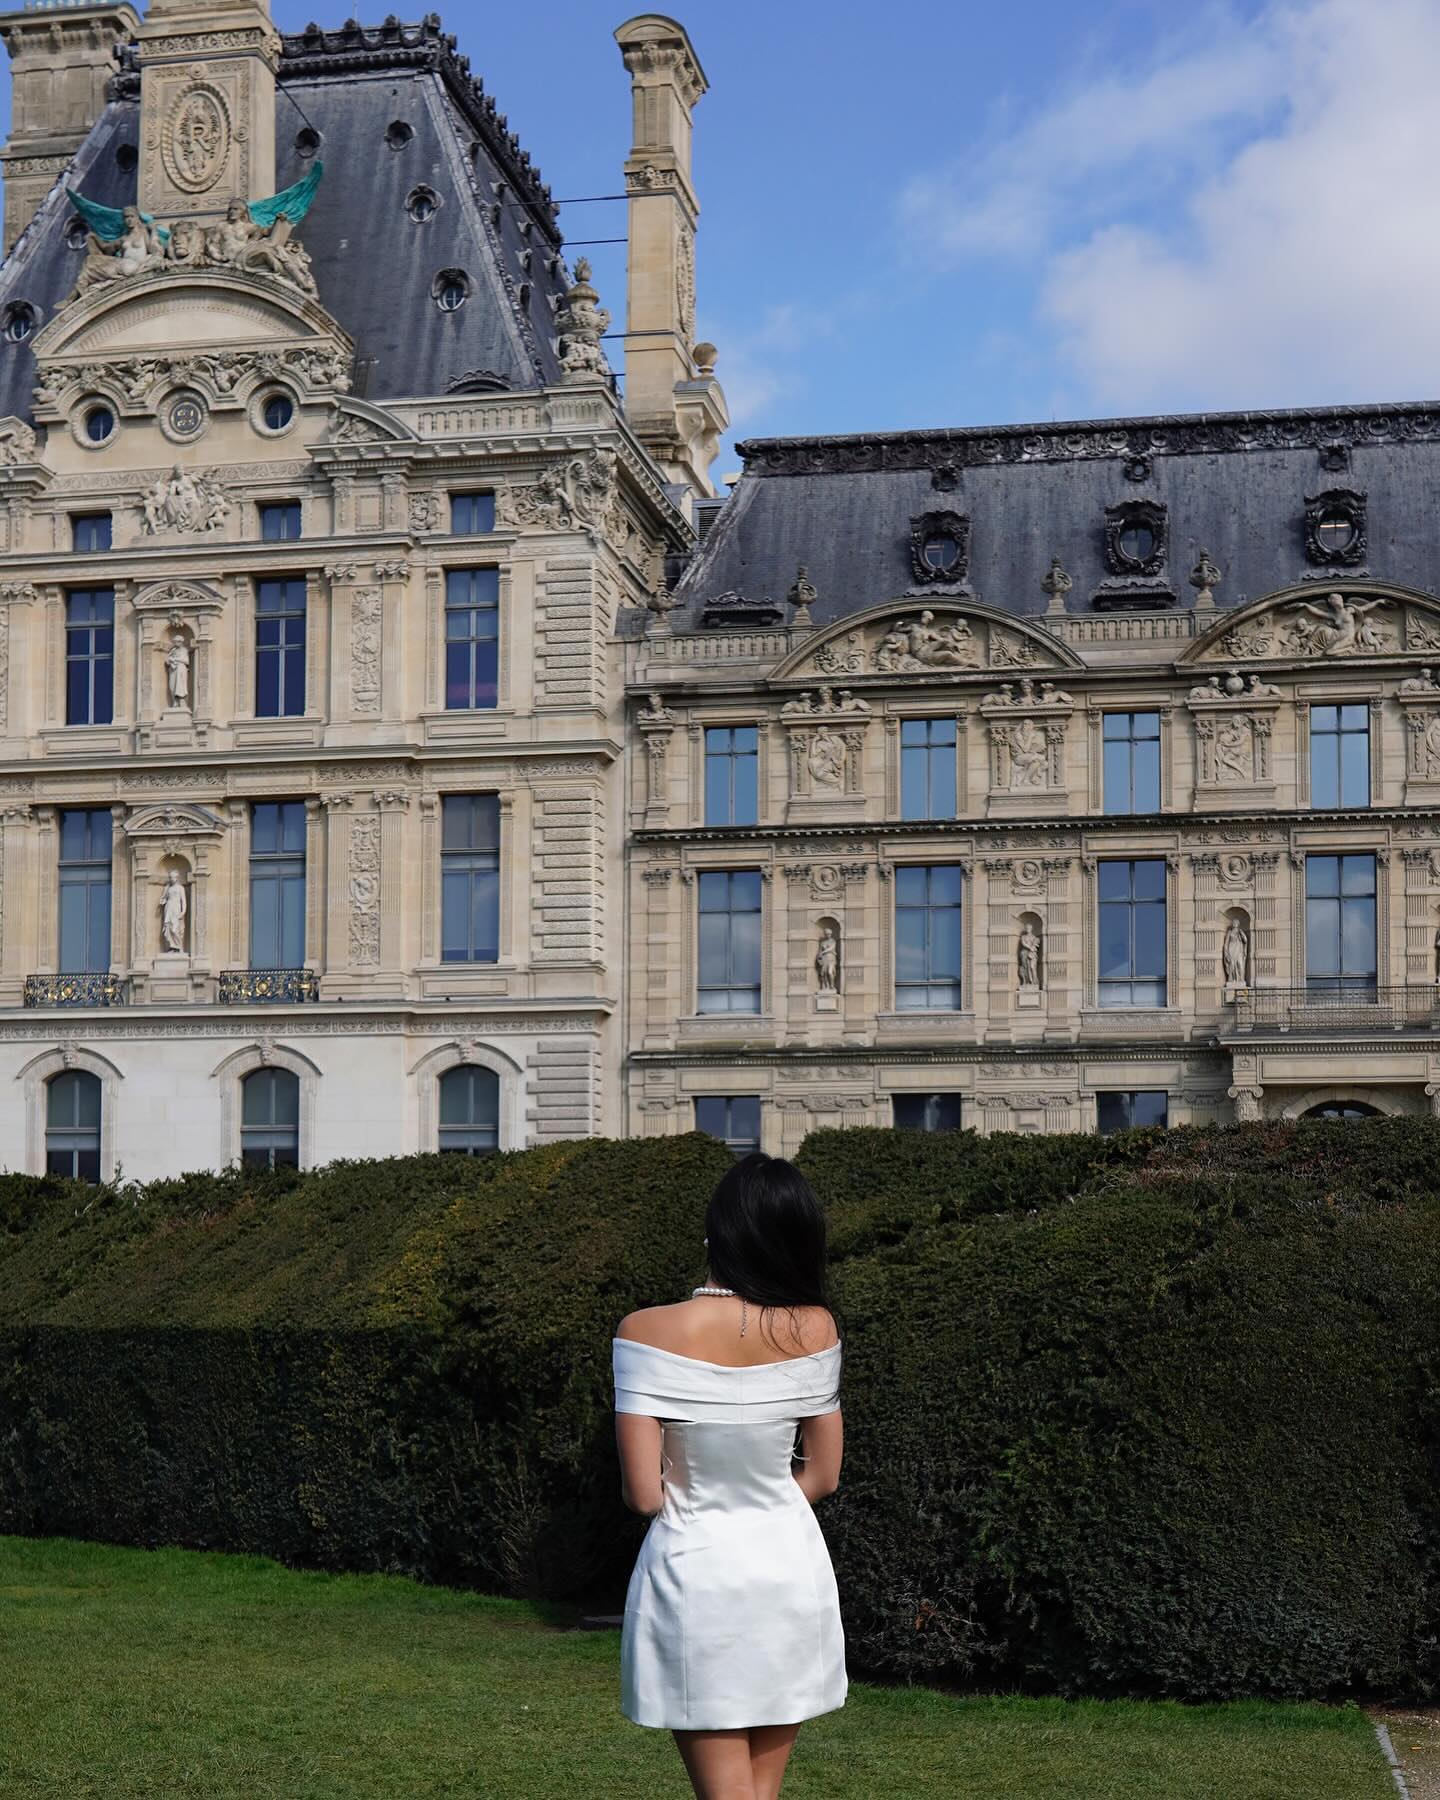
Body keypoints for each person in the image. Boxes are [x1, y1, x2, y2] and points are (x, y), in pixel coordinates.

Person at [613, 1153, 846, 1799]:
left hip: (698, 1573)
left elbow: (642, 1494)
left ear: (714, 1233)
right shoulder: (815, 1328)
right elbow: (822, 1475)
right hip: (787, 1568)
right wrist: (762, 1512)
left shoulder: (643, 1331)